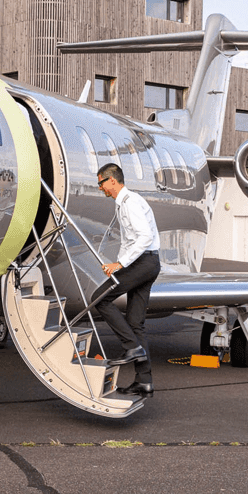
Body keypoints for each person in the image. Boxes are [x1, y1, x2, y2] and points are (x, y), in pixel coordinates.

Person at [96, 162, 160, 396]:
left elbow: (144, 237)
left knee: (99, 298)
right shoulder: (122, 204)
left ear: (112, 180)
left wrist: (120, 265)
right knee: (135, 322)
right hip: (145, 263)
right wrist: (118, 266)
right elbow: (129, 241)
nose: (100, 188)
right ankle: (144, 381)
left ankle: (131, 347)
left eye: (101, 183)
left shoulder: (130, 202)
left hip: (144, 262)